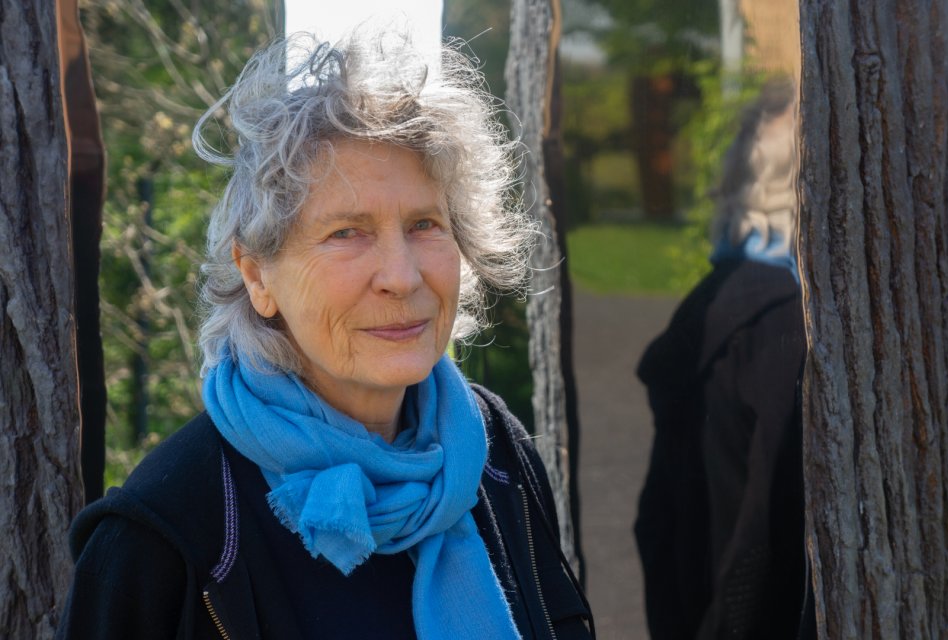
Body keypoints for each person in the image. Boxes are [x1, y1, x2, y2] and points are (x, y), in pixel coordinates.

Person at [57, 30, 593, 640]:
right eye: (346, 233)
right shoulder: (165, 533)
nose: (401, 276)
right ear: (257, 276)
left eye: (425, 224)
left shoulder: (496, 452)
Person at [633, 79, 811, 640]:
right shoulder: (787, 325)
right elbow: (766, 533)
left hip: (690, 600)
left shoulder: (713, 301)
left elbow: (654, 519)